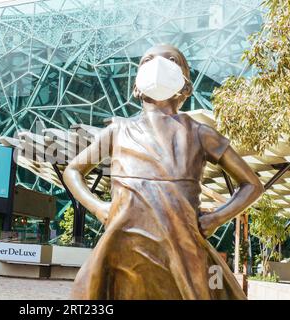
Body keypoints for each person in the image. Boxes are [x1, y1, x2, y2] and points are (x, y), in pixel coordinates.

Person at [63, 44, 263, 300]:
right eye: (147, 59)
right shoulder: (118, 130)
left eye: (171, 59)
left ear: (185, 85)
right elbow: (73, 171)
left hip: (182, 251)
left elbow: (252, 184)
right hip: (122, 249)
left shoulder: (200, 133)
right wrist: (99, 207)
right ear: (136, 86)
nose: (158, 63)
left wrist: (216, 218)